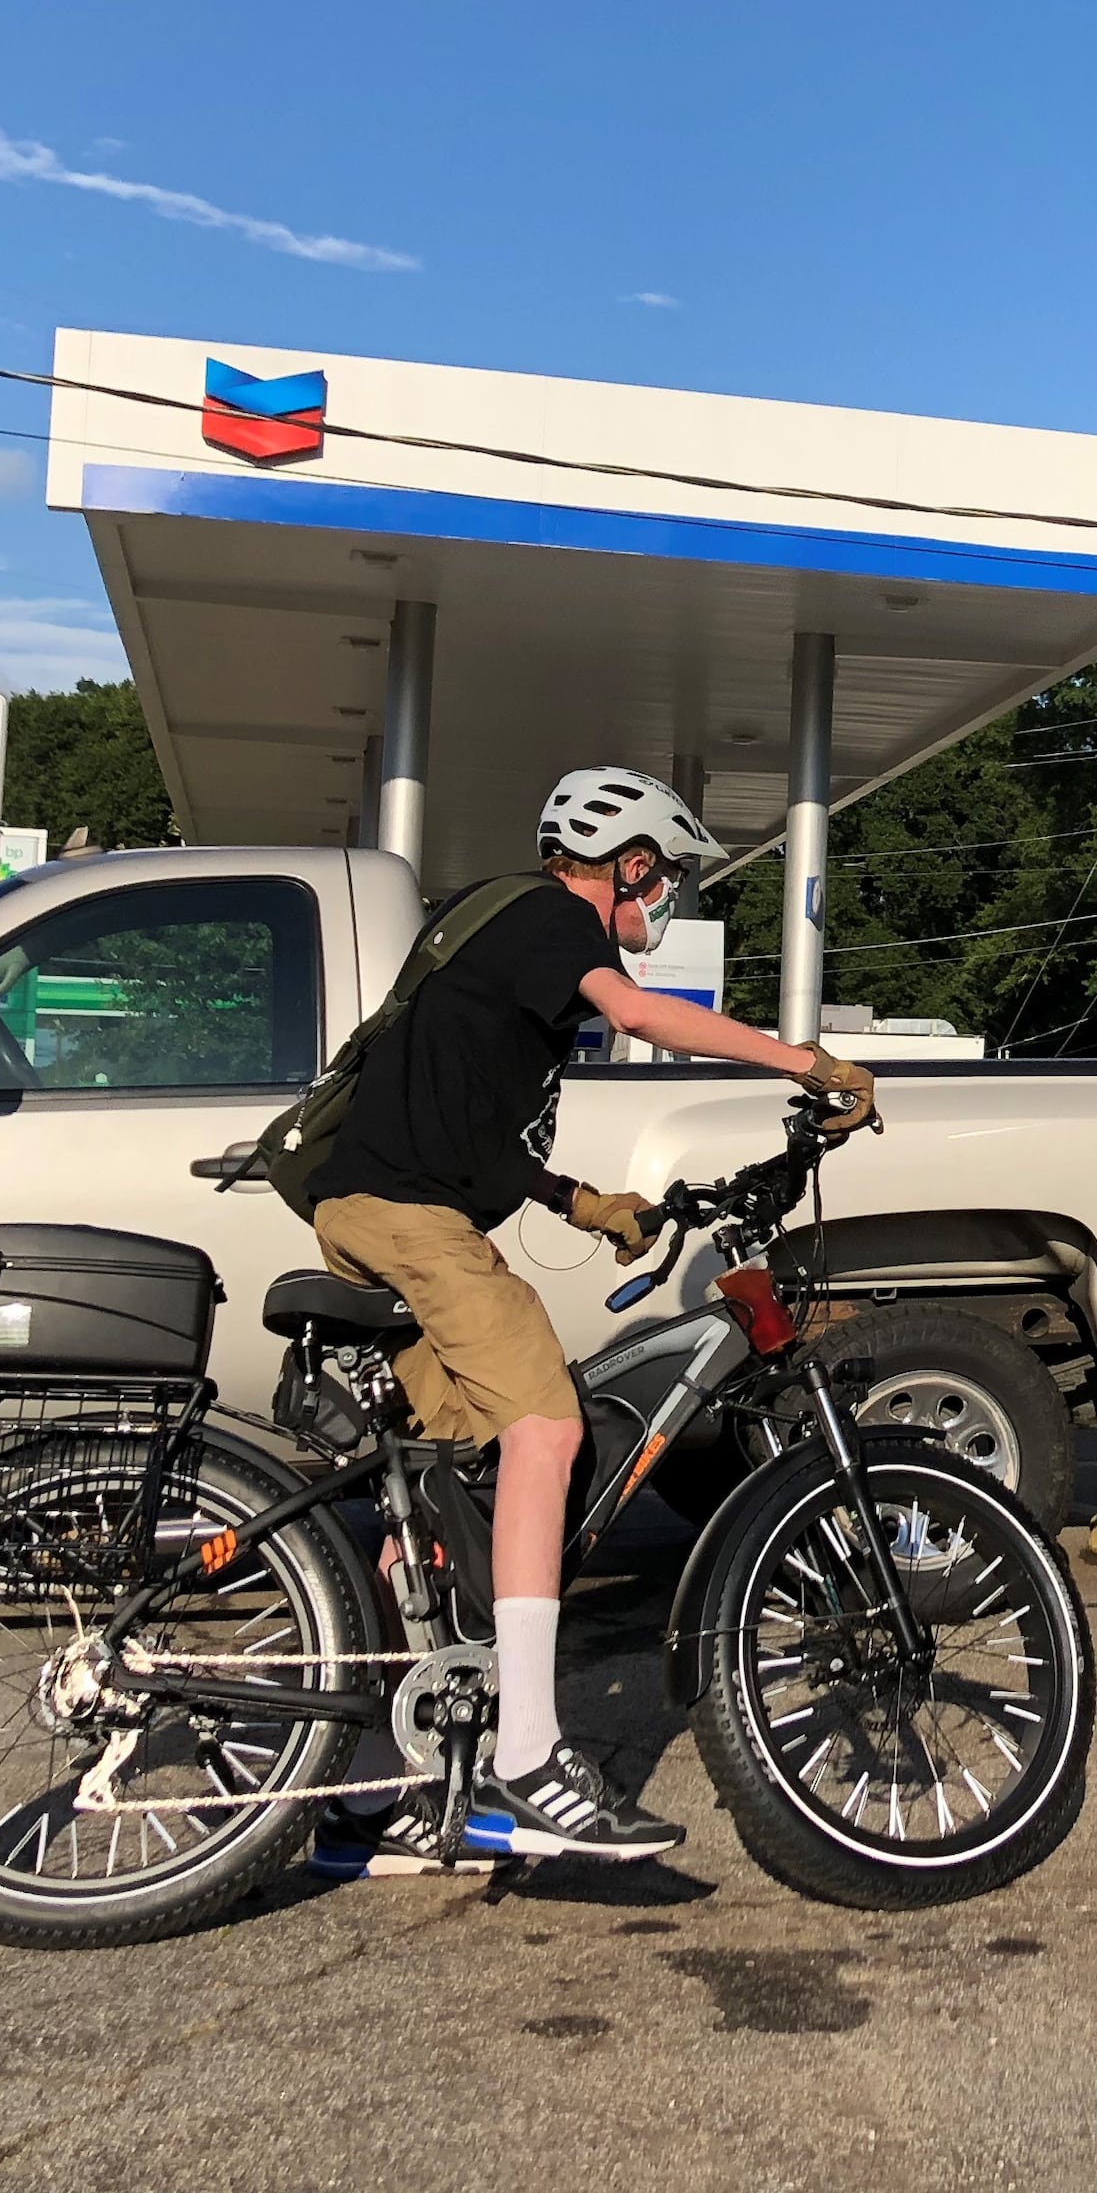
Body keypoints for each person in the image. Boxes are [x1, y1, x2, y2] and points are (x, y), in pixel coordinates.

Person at [305, 767, 874, 1871]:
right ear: (632, 863)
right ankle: (530, 1753)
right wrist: (810, 1061)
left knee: (451, 1482)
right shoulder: (550, 918)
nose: (664, 904)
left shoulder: (507, 948)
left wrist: (582, 1202)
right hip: (410, 1223)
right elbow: (643, 1014)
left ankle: (370, 1788)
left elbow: (463, 1133)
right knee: (550, 1430)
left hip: (387, 1205)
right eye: (663, 880)